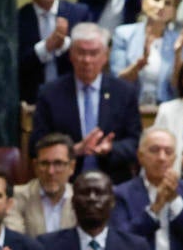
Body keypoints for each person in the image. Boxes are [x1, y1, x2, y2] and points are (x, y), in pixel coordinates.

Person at [28, 23, 142, 182]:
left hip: (112, 181)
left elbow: (135, 142)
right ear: (71, 55)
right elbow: (37, 144)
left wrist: (110, 149)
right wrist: (73, 150)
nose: (87, 60)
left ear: (105, 56)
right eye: (81, 53)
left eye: (94, 53)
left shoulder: (123, 92)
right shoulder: (50, 93)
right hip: (64, 182)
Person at [114, 127, 183, 250]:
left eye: (168, 152)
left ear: (175, 158)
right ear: (140, 156)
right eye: (154, 150)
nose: (162, 157)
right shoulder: (122, 194)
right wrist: (154, 209)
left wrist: (174, 200)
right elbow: (120, 242)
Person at [17, 0, 92, 104]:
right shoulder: (18, 18)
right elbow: (16, 64)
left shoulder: (79, 13)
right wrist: (46, 47)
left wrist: (64, 44)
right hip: (32, 97)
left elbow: (89, 54)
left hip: (74, 95)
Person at [110, 0, 180, 110]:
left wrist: (178, 55)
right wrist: (138, 65)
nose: (161, 6)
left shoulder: (179, 41)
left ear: (174, 12)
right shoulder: (124, 34)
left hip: (167, 109)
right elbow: (117, 80)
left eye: (168, 3)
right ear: (144, 3)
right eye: (156, 0)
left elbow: (179, 87)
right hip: (129, 107)